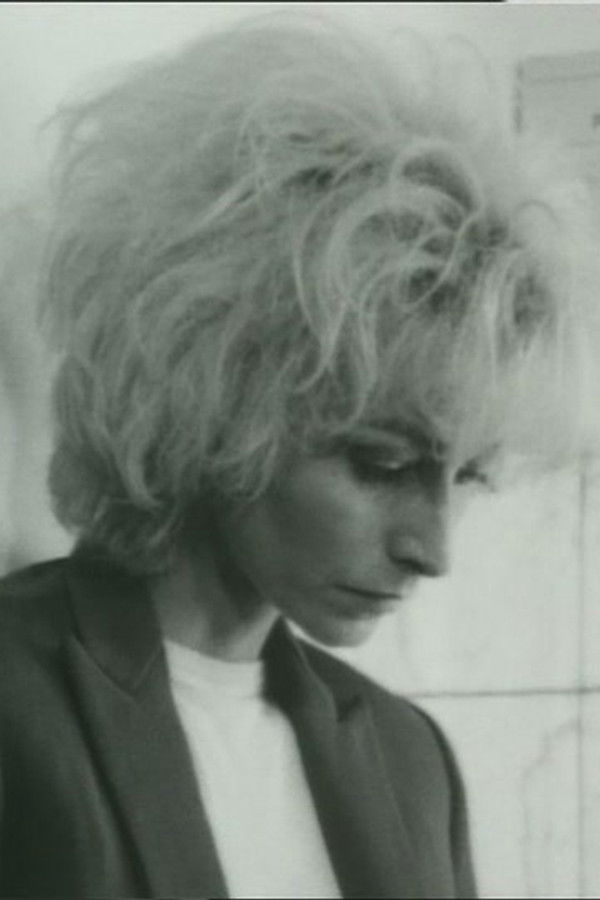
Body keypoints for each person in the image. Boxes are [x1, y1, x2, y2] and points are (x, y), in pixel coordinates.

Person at [1, 11, 599, 899]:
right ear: (215, 404)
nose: (433, 550)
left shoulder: (411, 763)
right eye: (382, 465)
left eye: (467, 476)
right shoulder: (19, 704)